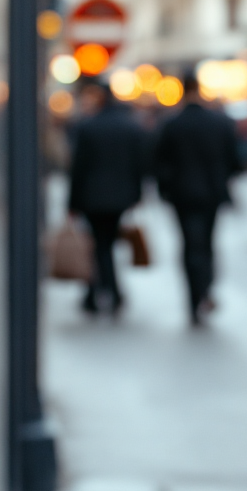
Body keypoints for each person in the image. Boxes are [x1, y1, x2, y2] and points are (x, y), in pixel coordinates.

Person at [155, 70, 242, 326]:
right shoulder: (219, 122)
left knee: (189, 246)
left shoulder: (172, 123)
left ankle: (195, 297)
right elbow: (234, 160)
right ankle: (205, 290)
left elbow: (160, 162)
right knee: (206, 243)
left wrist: (166, 189)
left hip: (182, 195)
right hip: (211, 194)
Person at [67, 80, 150, 315]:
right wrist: (137, 195)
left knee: (99, 245)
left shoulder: (88, 127)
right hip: (120, 198)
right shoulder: (130, 127)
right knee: (105, 244)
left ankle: (100, 291)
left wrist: (72, 203)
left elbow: (78, 169)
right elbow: (140, 165)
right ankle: (106, 291)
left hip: (92, 197)